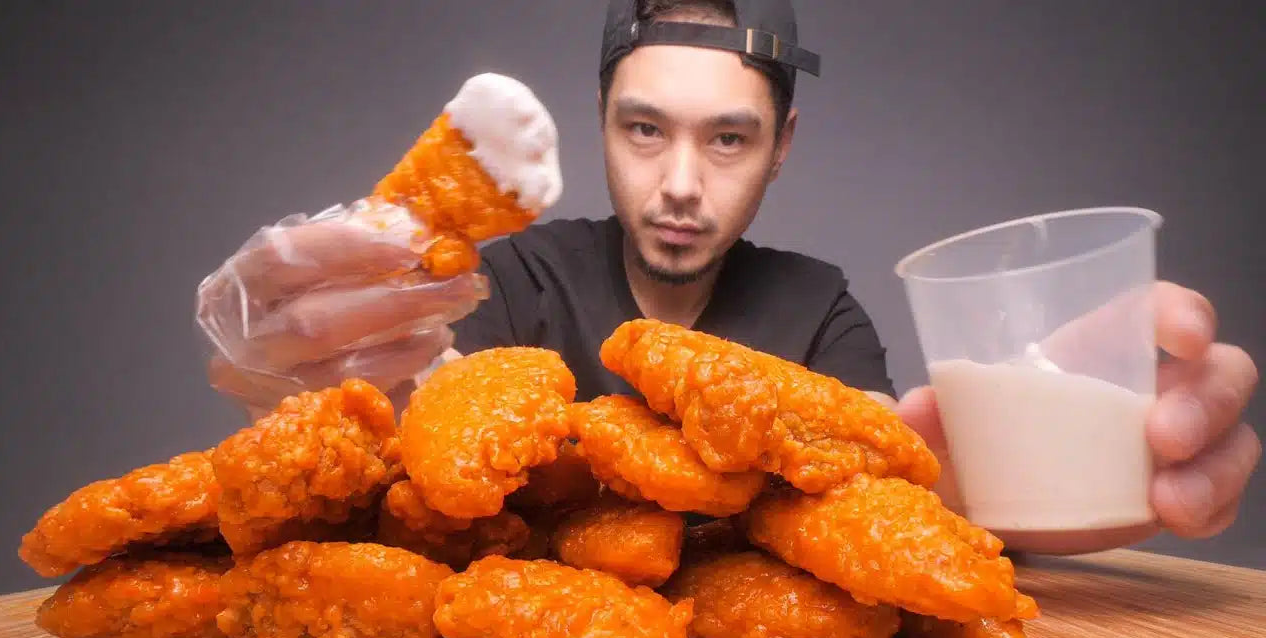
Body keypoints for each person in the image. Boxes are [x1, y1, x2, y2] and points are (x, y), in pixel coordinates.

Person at [198, 0, 1259, 543]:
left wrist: (1024, 477)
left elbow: (896, 482)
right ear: (601, 123)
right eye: (644, 129)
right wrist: (317, 374)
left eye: (726, 140)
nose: (676, 185)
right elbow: (406, 444)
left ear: (780, 145)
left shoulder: (815, 308)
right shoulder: (504, 278)